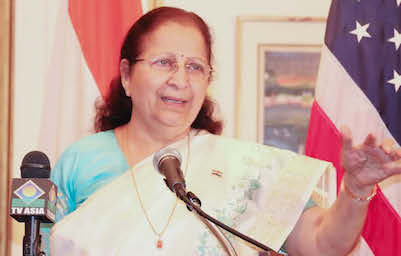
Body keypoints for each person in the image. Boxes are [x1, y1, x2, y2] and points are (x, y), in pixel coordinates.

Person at [45, 6, 401, 256]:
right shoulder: (81, 161)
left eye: (195, 67)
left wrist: (356, 187)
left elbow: (322, 245)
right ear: (126, 75)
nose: (180, 80)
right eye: (164, 62)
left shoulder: (245, 169)